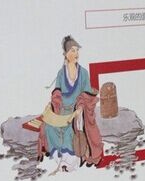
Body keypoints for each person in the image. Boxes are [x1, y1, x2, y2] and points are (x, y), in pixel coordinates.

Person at [38, 36, 103, 172]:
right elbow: (57, 93)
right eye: (72, 50)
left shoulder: (83, 73)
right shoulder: (61, 74)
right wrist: (53, 105)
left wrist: (80, 108)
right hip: (62, 110)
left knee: (70, 130)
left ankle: (70, 163)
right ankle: (59, 158)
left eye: (77, 50)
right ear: (65, 54)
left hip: (78, 110)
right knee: (49, 127)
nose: (76, 53)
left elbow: (86, 94)